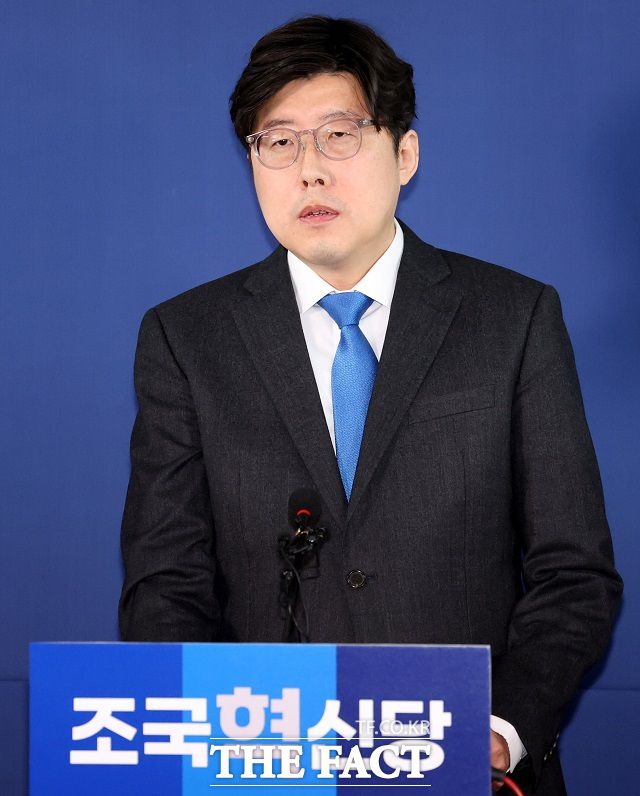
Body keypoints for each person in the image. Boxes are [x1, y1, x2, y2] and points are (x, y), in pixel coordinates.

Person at [118, 16, 622, 794]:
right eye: (278, 142)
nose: (309, 171)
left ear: (405, 153)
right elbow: (166, 586)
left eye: (339, 135)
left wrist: (498, 729)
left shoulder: (513, 319)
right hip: (267, 769)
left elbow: (574, 572)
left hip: (467, 768)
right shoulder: (187, 338)